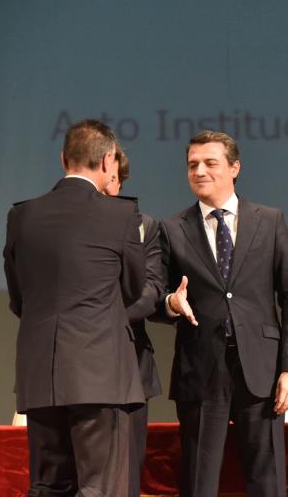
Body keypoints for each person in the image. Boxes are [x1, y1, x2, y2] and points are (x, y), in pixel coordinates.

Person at [155, 130, 288, 497]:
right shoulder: (173, 229)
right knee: (199, 480)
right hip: (200, 368)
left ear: (234, 167)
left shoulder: (269, 221)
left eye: (210, 163)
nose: (200, 171)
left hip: (262, 371)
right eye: (193, 165)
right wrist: (170, 304)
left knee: (266, 478)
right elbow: (157, 296)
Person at [3, 119, 146, 496]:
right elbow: (132, 290)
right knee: (101, 488)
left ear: (64, 158)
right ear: (108, 162)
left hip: (40, 375)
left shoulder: (22, 215)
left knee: (49, 486)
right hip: (99, 376)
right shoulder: (120, 215)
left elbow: (19, 298)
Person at [105, 147, 165, 497]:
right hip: (79, 364)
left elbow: (152, 288)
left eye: (114, 179)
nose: (108, 186)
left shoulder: (143, 226)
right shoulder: (68, 223)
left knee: (127, 480)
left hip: (130, 365)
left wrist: (103, 317)